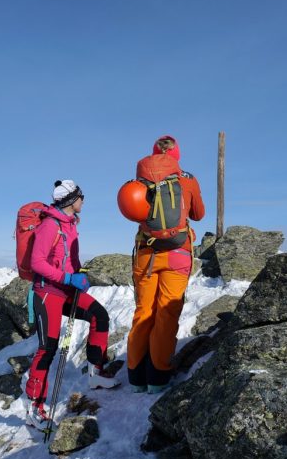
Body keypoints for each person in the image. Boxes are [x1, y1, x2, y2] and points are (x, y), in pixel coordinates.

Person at [24, 179, 119, 427]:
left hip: (67, 290)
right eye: (81, 196)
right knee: (48, 348)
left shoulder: (70, 224)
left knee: (100, 315)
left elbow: (67, 259)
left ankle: (96, 372)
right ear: (70, 200)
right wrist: (68, 277)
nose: (83, 200)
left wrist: (78, 274)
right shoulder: (50, 225)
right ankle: (35, 408)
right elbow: (37, 262)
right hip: (47, 292)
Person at [127, 135, 205, 394]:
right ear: (177, 155)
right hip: (178, 253)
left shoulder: (141, 181)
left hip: (146, 254)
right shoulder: (188, 179)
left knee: (144, 311)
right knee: (167, 313)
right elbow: (198, 214)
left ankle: (136, 377)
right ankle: (157, 377)